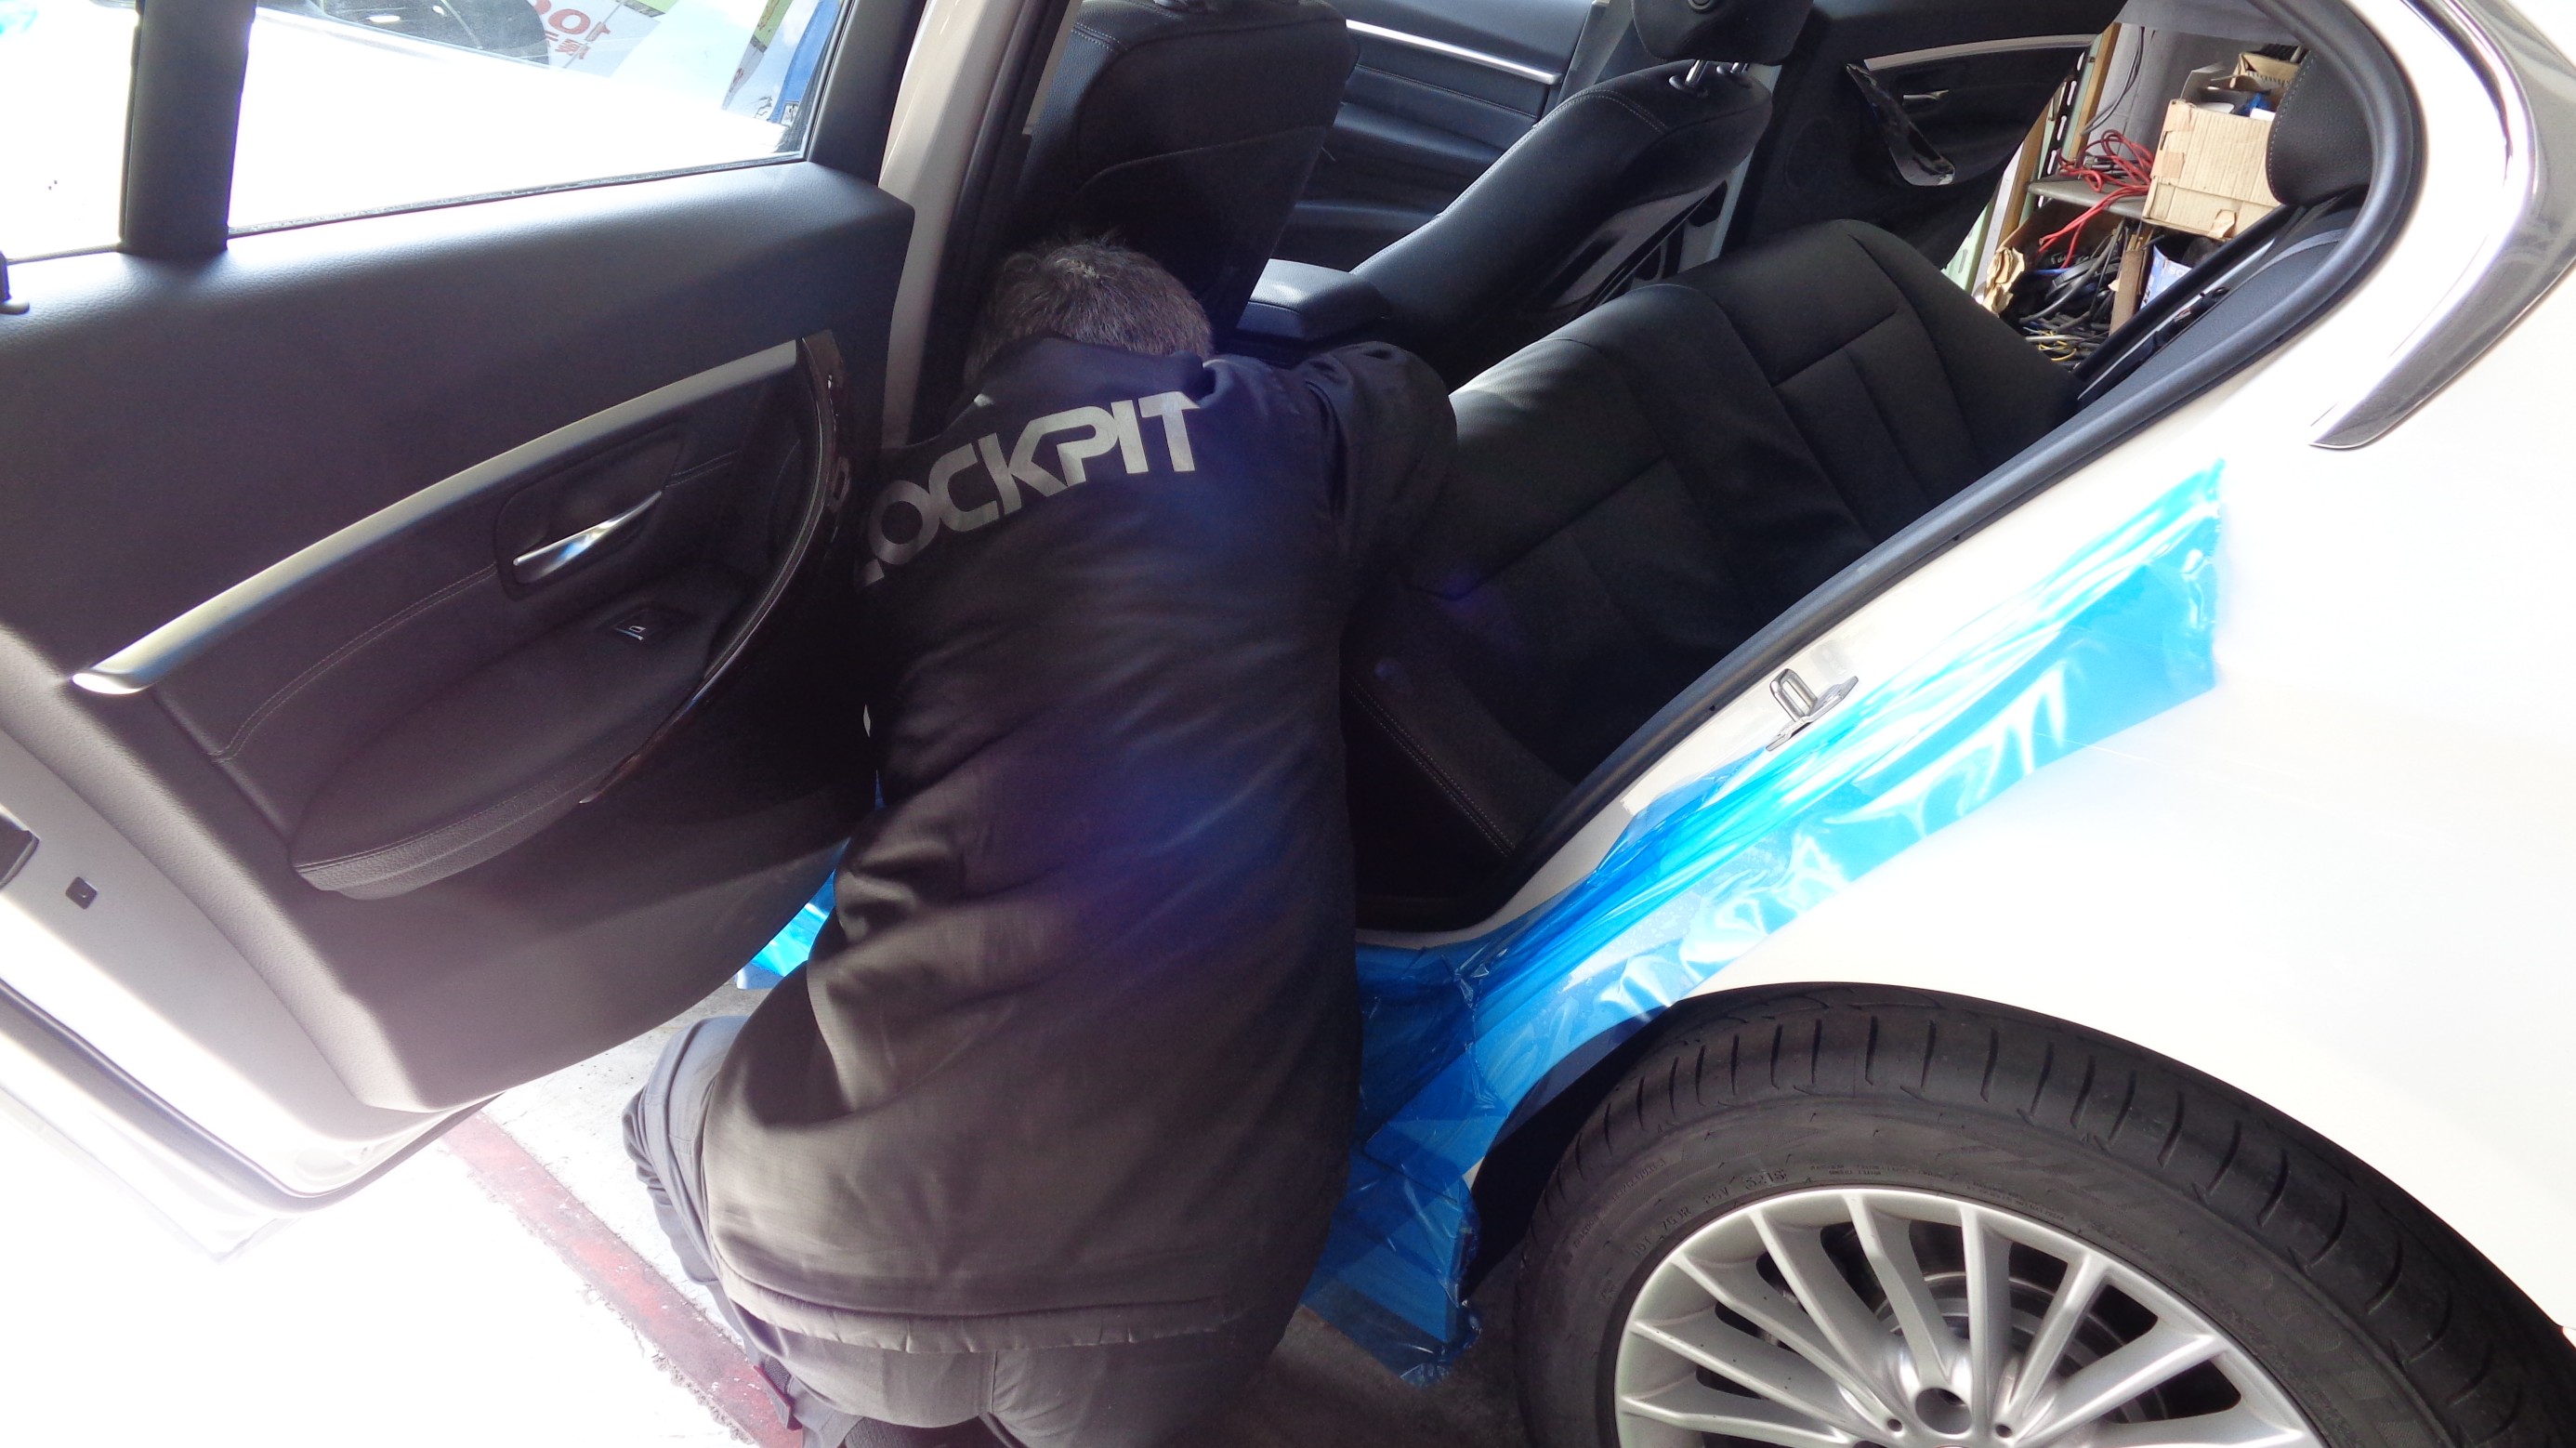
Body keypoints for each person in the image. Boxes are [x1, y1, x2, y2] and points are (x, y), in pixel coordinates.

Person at [624, 239, 1454, 1448]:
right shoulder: (1265, 429)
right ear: (1182, 359)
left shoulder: (865, 517)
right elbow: (1406, 386)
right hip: (1192, 1314)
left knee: (675, 1086)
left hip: (830, 1254)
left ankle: (847, 1415)